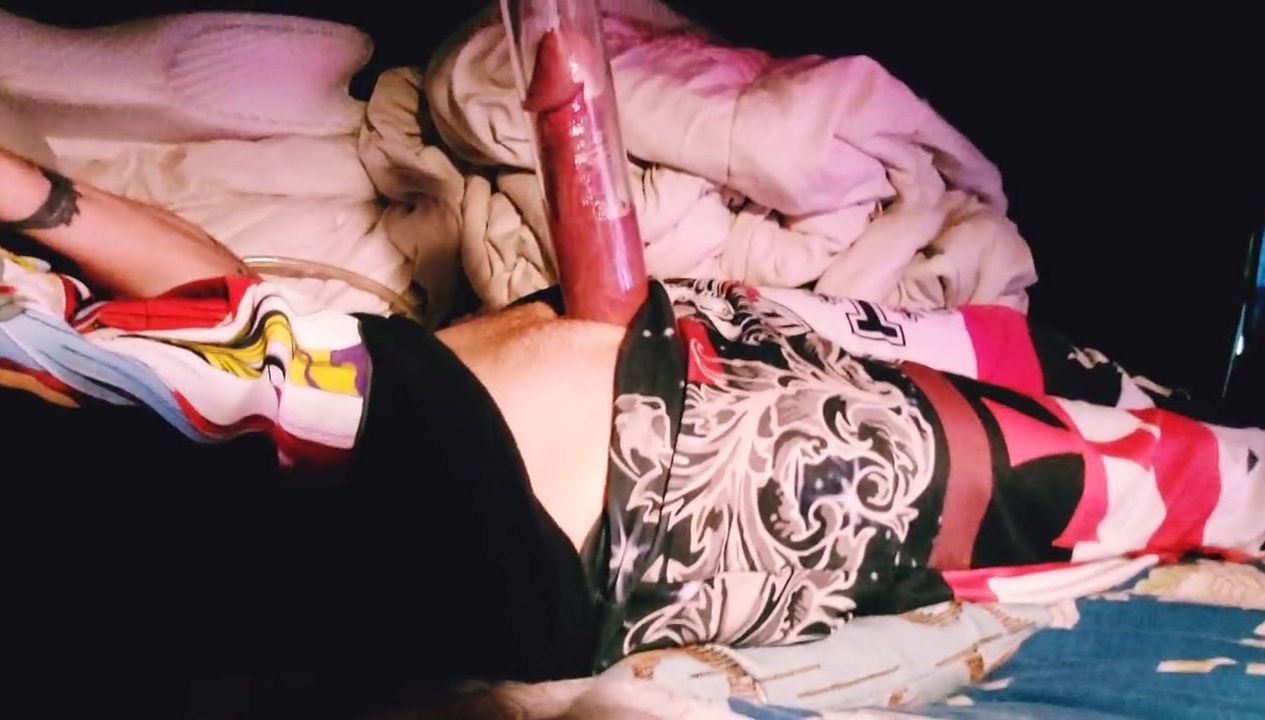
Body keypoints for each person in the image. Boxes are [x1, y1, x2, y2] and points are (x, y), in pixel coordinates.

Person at [2, 145, 1262, 718]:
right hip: (645, 503)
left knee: (1081, 381)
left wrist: (43, 200)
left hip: (650, 359)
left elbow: (229, 308)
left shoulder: (28, 318)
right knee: (1167, 486)